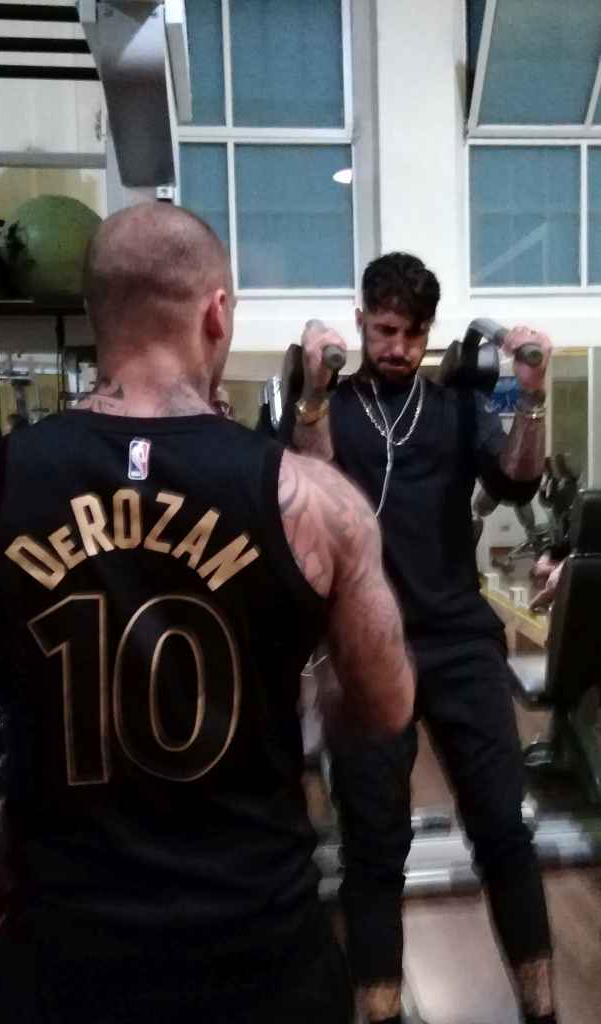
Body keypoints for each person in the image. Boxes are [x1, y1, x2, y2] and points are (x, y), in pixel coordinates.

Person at [0, 204, 415, 1024]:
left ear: (96, 316)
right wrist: (316, 706)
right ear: (217, 313)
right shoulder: (318, 503)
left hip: (61, 959)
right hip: (263, 955)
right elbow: (386, 703)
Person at [290, 252, 556, 1024]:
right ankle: (379, 1013)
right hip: (364, 645)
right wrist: (313, 394)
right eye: (384, 330)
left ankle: (543, 1012)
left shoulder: (457, 408)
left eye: (412, 333)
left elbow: (518, 479)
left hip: (459, 639)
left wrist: (532, 397)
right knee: (375, 848)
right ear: (361, 320)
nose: (398, 347)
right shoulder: (332, 407)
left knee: (504, 829)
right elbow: (313, 489)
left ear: (430, 332)